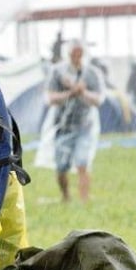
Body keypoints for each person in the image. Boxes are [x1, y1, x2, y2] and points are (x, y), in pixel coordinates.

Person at [44, 39, 104, 203]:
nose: (77, 57)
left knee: (83, 162)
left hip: (85, 125)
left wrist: (82, 92)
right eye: (73, 54)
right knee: (61, 165)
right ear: (68, 54)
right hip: (63, 125)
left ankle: (84, 199)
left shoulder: (91, 73)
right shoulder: (57, 72)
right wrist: (70, 92)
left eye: (80, 53)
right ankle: (65, 197)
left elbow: (98, 99)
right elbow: (50, 98)